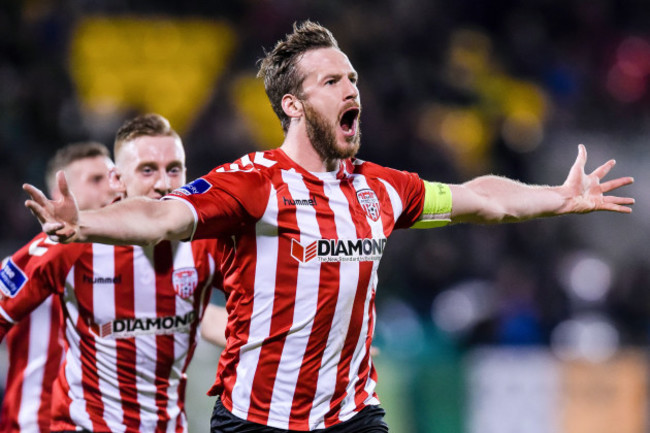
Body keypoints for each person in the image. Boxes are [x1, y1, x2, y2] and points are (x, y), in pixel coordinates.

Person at [22, 21, 634, 433]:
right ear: (293, 104)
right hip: (257, 420)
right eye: (333, 81)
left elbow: (480, 199)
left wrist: (556, 197)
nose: (352, 88)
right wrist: (89, 224)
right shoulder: (253, 182)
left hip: (351, 417)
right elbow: (163, 214)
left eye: (354, 79)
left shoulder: (381, 188)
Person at [2, 113, 228, 432]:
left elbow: (243, 314)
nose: (163, 184)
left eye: (173, 169)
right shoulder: (68, 243)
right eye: (147, 170)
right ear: (117, 181)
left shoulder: (207, 245)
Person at [0, 141, 120, 433]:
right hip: (32, 424)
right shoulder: (31, 262)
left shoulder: (132, 263)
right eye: (95, 180)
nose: (111, 188)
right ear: (58, 194)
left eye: (113, 177)